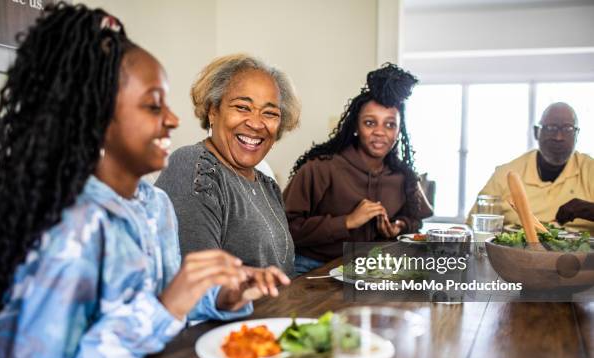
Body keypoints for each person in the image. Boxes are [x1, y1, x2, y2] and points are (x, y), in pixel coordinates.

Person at [0, 4, 288, 358]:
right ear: (97, 117)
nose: (174, 119)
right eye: (152, 105)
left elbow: (165, 302)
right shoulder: (71, 225)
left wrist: (219, 297)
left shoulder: (154, 206)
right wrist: (165, 308)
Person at [155, 54, 301, 278]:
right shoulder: (194, 167)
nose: (255, 123)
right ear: (213, 111)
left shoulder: (267, 185)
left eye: (270, 113)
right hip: (230, 314)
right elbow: (197, 283)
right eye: (242, 107)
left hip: (280, 312)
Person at [283, 63, 433, 274]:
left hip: (371, 269)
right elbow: (285, 227)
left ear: (399, 131)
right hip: (313, 268)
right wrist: (347, 221)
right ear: (355, 126)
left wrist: (398, 226)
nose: (380, 132)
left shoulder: (402, 176)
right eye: (370, 123)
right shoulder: (320, 168)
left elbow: (417, 220)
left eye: (390, 125)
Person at [467, 102, 594, 233]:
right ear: (536, 132)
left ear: (577, 135)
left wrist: (585, 209)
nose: (558, 137)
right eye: (551, 128)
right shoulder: (505, 174)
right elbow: (475, 226)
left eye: (568, 129)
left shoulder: (590, 170)